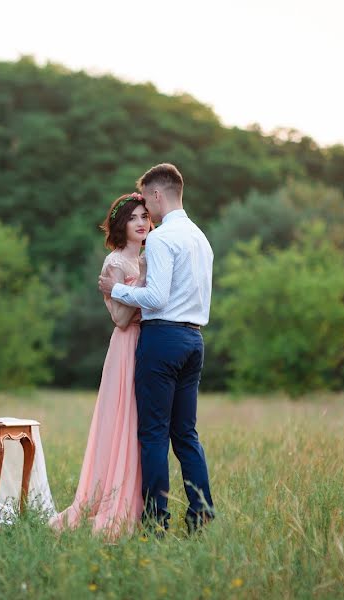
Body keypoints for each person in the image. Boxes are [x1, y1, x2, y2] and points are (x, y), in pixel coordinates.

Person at [98, 163, 215, 533]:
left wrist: (115, 290)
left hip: (162, 339)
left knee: (152, 434)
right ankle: (200, 516)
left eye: (147, 199)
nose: (147, 210)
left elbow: (156, 296)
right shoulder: (201, 238)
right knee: (186, 435)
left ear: (159, 194)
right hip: (194, 339)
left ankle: (154, 522)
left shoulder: (163, 238)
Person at [50, 193, 152, 537]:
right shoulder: (115, 263)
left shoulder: (150, 256)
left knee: (142, 428)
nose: (141, 222)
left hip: (150, 344)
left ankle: (139, 505)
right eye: (134, 217)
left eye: (145, 216)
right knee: (122, 422)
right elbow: (121, 319)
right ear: (121, 224)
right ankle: (111, 503)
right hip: (127, 346)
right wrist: (138, 284)